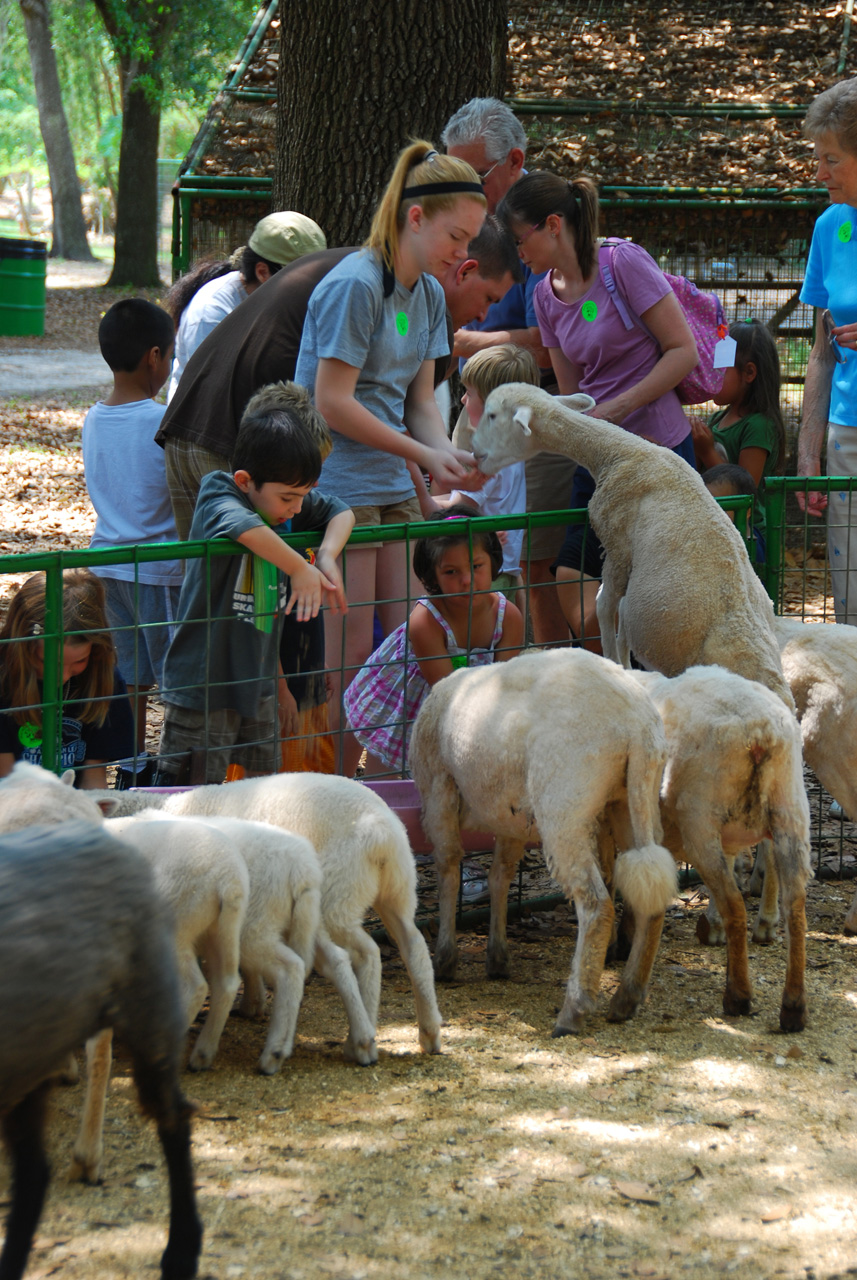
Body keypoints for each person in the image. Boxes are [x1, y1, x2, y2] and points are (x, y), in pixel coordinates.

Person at [294, 140, 487, 774]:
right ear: (415, 218)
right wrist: (422, 454)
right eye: (456, 237)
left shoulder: (429, 296)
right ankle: (328, 786)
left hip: (393, 484)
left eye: (470, 241)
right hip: (336, 487)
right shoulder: (355, 285)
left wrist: (447, 456)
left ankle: (377, 778)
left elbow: (420, 402)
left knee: (404, 642)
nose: (463, 255)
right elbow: (333, 403)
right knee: (346, 654)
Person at [156, 219, 519, 540]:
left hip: (214, 429)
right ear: (464, 270)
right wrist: (430, 461)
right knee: (241, 598)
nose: (483, 314)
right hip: (222, 440)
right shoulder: (367, 286)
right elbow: (342, 405)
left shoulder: (405, 291)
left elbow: (400, 409)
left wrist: (441, 461)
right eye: (488, 298)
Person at [498, 170, 699, 651]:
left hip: (660, 452)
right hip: (600, 465)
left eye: (518, 238)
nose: (516, 252)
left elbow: (682, 351)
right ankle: (618, 681)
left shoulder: (621, 263)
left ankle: (659, 687)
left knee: (663, 590)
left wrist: (619, 407)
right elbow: (574, 396)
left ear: (552, 224)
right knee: (572, 576)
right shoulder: (544, 294)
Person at [155, 383, 354, 786]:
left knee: (261, 794)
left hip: (258, 689)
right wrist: (300, 567)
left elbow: (340, 510)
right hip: (203, 687)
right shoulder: (219, 491)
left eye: (302, 496)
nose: (297, 509)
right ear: (246, 480)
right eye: (288, 499)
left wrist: (328, 555)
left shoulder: (281, 499)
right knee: (187, 795)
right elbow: (244, 528)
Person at [443, 96, 572, 645]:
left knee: (531, 561)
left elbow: (558, 338)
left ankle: (546, 674)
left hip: (529, 413)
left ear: (514, 162)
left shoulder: (539, 229)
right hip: (472, 404)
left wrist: (476, 339)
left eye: (473, 174)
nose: (461, 187)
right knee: (462, 541)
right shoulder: (463, 226)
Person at [83, 297, 182, 788]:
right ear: (153, 357)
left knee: (129, 675)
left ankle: (133, 762)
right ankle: (172, 765)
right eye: (170, 355)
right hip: (157, 565)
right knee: (174, 674)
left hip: (109, 562)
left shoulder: (93, 418)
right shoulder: (160, 421)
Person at [343, 507, 523, 776]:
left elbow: (504, 685)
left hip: (476, 707)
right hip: (407, 701)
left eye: (476, 566)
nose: (467, 579)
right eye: (451, 572)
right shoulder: (425, 621)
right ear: (433, 576)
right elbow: (445, 692)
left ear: (493, 561)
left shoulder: (508, 617)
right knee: (384, 776)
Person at [797, 77, 857, 625]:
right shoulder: (830, 227)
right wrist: (809, 450)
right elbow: (821, 351)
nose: (819, 173)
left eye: (831, 159)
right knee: (852, 598)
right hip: (848, 434)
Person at [166, 211, 327, 402]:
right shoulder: (211, 314)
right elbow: (214, 397)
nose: (314, 289)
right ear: (262, 272)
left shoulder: (280, 300)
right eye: (305, 279)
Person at [428, 343, 540, 606]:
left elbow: (458, 512)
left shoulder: (491, 457)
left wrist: (418, 498)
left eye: (469, 393)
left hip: (484, 577)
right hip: (508, 573)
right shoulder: (514, 450)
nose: (463, 400)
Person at [0, 569, 135, 788]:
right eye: (48, 663)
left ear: (96, 650)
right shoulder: (4, 679)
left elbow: (94, 779)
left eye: (79, 661)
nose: (61, 677)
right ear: (22, 646)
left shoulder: (104, 681)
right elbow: (6, 784)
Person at [691, 319, 785, 557]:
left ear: (749, 373)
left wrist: (707, 451)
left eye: (720, 370)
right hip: (716, 527)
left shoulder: (758, 426)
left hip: (749, 536)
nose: (711, 378)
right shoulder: (715, 419)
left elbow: (744, 492)